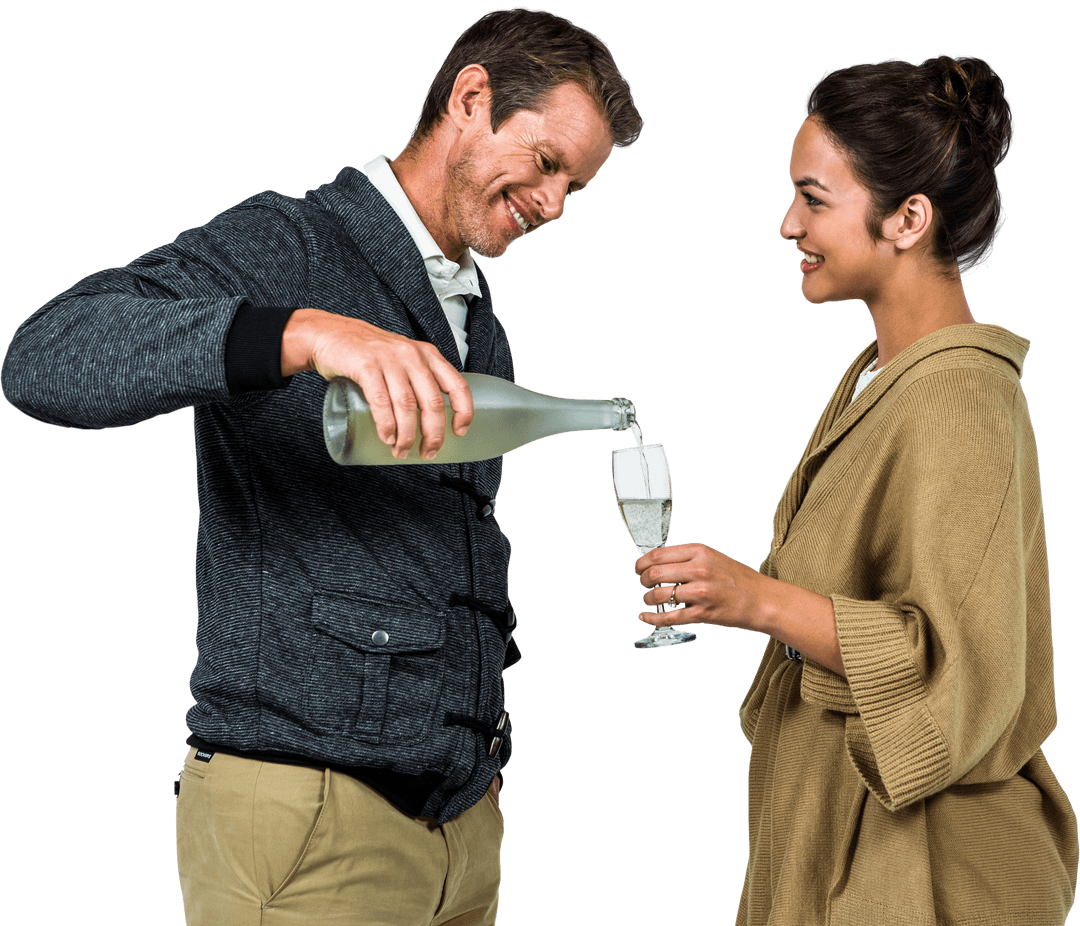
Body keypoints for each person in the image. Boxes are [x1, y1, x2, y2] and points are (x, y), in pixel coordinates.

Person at [0, 8, 642, 925]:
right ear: (471, 99)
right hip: (314, 814)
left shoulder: (478, 317)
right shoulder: (293, 242)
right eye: (546, 165)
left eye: (575, 187)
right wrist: (297, 332)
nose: (553, 206)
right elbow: (46, 356)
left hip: (459, 827)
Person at [634, 55, 1077, 924]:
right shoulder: (880, 378)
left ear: (908, 217)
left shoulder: (961, 395)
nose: (787, 223)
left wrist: (758, 599)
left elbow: (967, 671)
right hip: (836, 836)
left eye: (813, 198)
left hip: (917, 871)